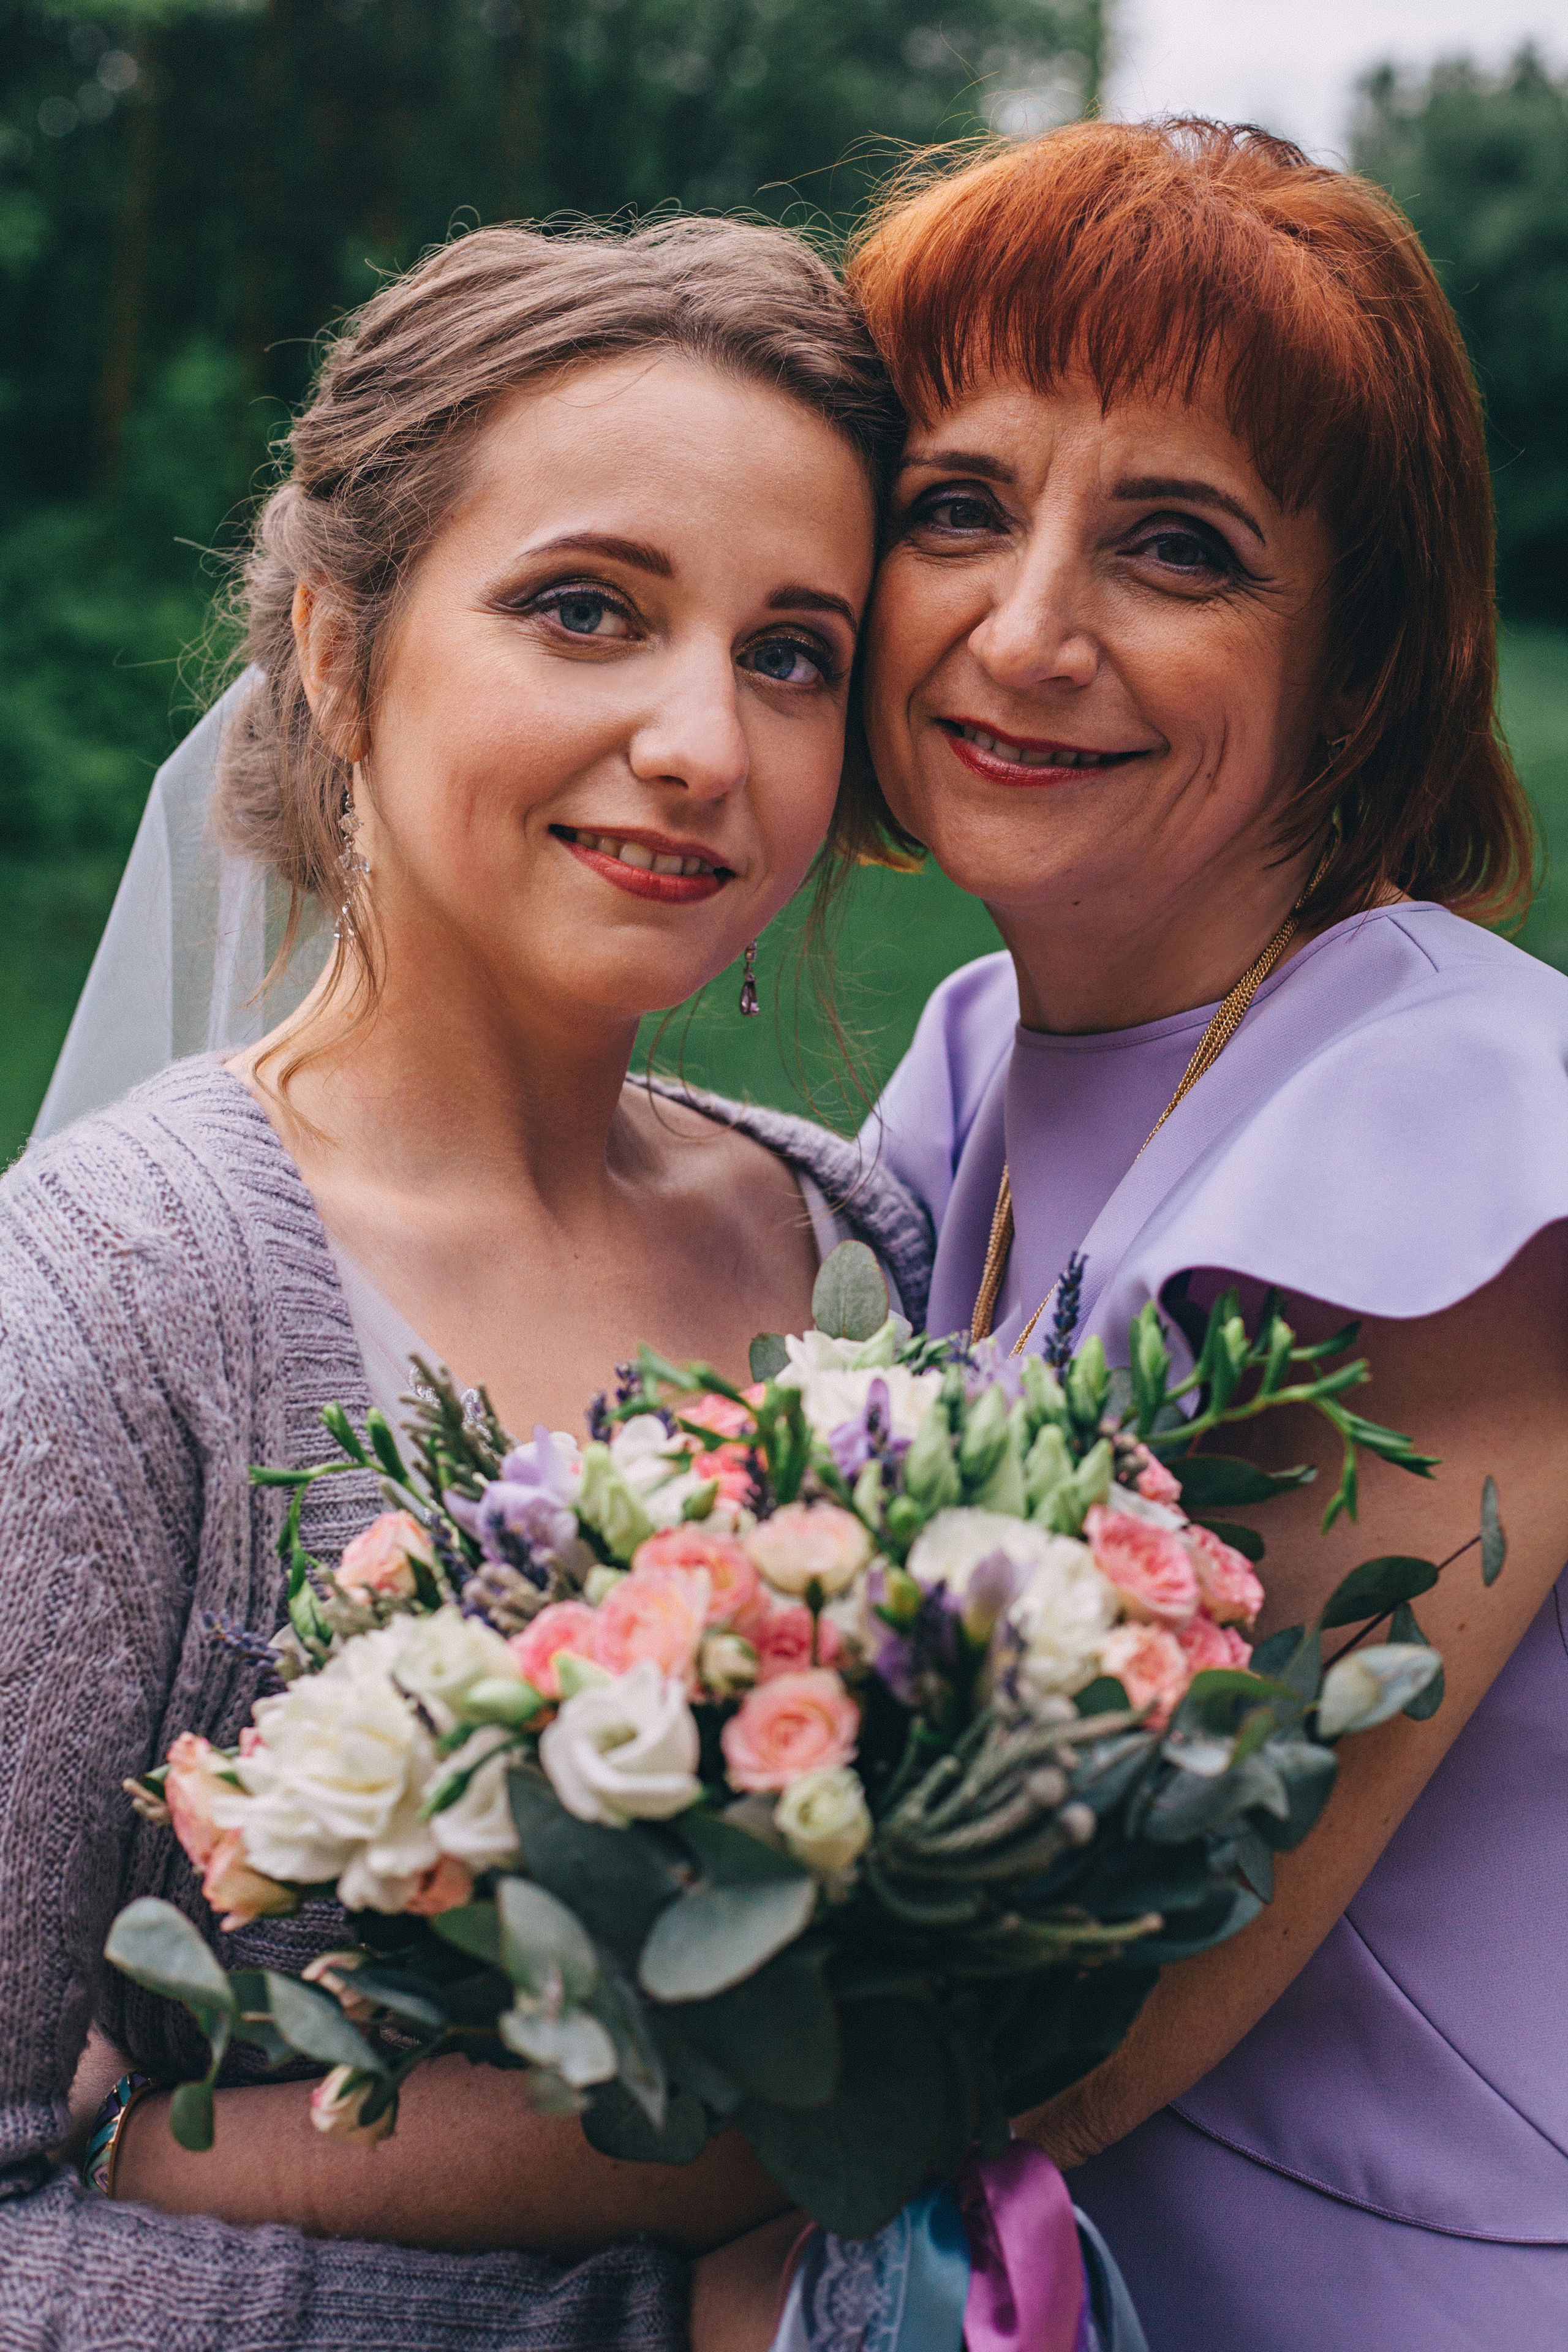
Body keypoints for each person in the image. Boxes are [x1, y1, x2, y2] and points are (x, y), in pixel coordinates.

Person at [0, 216, 930, 2352]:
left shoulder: (858, 1254)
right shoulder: (101, 1316)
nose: (702, 742)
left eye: (793, 653)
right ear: (338, 651)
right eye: (587, 609)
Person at [846, 119, 1568, 2351]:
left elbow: (1078, 2013)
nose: (1028, 628)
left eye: (1179, 547)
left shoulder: (1447, 1133)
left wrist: (248, 2136)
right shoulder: (974, 1058)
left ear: (1360, 661)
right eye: (957, 508)